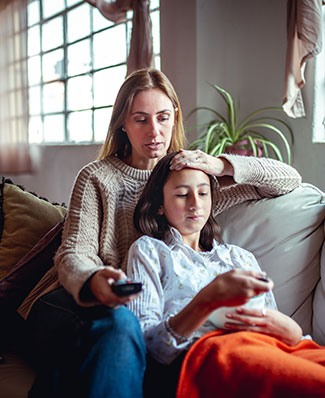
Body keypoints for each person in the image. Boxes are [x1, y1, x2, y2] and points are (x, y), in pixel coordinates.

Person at [17, 68, 302, 398]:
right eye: (140, 119)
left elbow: (288, 180)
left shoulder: (189, 179)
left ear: (174, 118)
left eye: (163, 117)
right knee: (121, 325)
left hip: (128, 312)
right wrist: (95, 280)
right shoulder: (97, 176)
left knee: (124, 326)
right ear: (122, 123)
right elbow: (74, 253)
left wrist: (221, 166)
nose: (154, 131)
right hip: (71, 299)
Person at [126, 152, 325, 398]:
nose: (195, 204)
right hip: (211, 354)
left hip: (266, 346)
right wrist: (207, 301)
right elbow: (149, 349)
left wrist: (293, 332)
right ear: (159, 205)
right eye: (181, 194)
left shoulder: (239, 257)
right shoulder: (150, 251)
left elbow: (289, 178)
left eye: (203, 193)